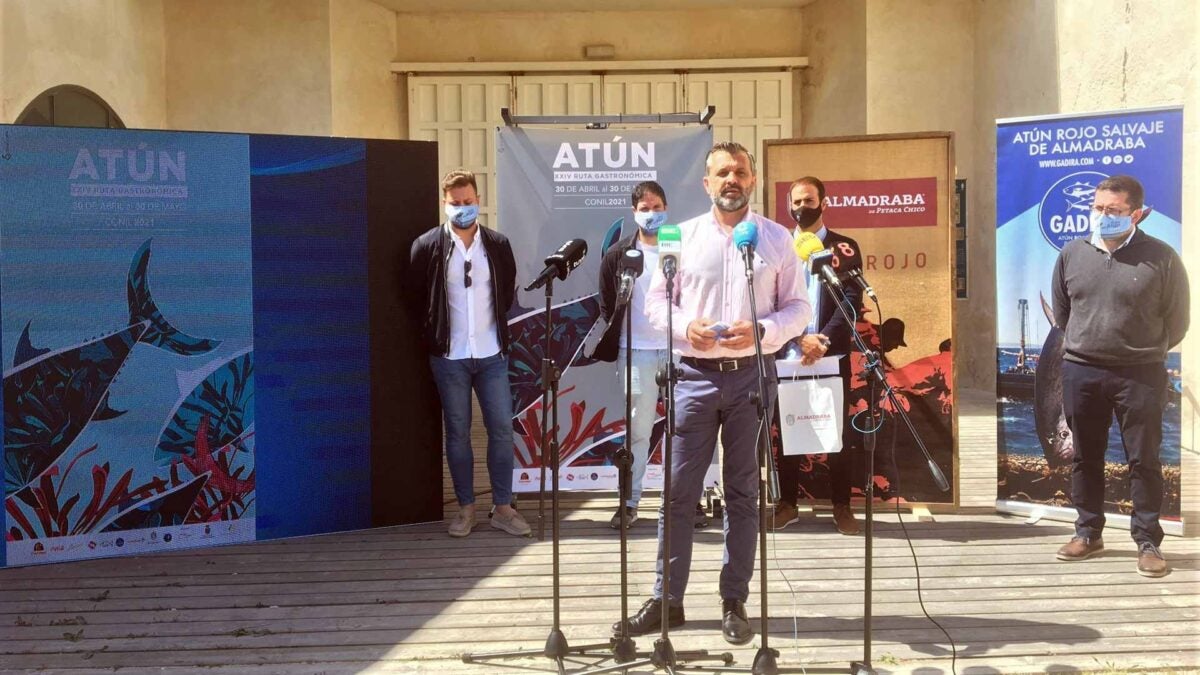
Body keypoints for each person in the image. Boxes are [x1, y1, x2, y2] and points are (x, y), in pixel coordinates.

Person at [614, 142, 810, 645]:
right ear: (706, 184)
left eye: (739, 172)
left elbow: (798, 309)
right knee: (678, 493)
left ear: (753, 179)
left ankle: (734, 600)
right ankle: (667, 600)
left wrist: (763, 331)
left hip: (750, 376)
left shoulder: (776, 239)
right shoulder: (680, 235)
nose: (731, 179)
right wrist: (685, 329)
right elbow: (657, 303)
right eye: (721, 172)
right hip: (693, 375)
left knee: (743, 493)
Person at [1050, 174, 1189, 577]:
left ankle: (1147, 541)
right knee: (1084, 456)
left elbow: (1177, 321)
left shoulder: (1161, 258)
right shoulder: (1072, 253)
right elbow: (1063, 314)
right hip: (1081, 371)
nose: (1103, 216)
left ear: (1138, 213)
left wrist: (1140, 352)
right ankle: (1088, 532)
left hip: (1140, 374)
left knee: (1143, 459)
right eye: (1098, 208)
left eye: (1114, 211)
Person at [407, 169, 530, 539]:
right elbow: (415, 297)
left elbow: (506, 293)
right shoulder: (427, 246)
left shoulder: (497, 244)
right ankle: (465, 509)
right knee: (457, 433)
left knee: (501, 431)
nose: (463, 208)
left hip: (492, 354)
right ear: (444, 204)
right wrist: (436, 336)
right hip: (450, 357)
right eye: (455, 204)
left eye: (468, 202)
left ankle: (503, 509)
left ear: (479, 200)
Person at [593, 182, 712, 531]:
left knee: (687, 428)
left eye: (657, 207)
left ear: (667, 208)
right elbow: (606, 303)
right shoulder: (618, 255)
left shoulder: (682, 249)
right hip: (636, 353)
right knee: (637, 431)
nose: (651, 214)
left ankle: (687, 503)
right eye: (644, 209)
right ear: (634, 213)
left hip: (680, 351)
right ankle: (629, 502)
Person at [772, 176, 865, 535]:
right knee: (790, 427)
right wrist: (798, 337)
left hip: (830, 354)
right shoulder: (779, 245)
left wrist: (822, 338)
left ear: (824, 203)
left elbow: (850, 302)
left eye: (808, 200)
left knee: (836, 432)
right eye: (795, 202)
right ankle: (787, 504)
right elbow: (772, 300)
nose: (800, 208)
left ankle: (841, 505)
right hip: (789, 352)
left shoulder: (844, 248)